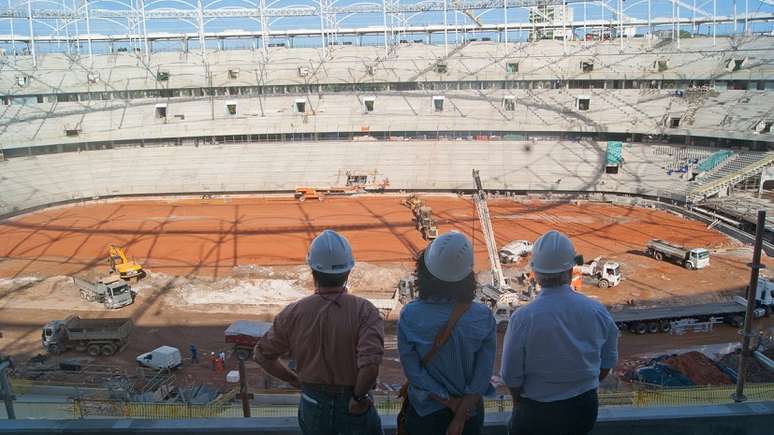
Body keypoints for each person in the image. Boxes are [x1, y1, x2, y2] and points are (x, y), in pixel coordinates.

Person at [254, 229, 385, 435]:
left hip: (312, 402)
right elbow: (370, 367)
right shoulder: (365, 311)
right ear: (348, 271)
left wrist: (295, 380)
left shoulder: (293, 313)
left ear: (312, 270)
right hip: (354, 405)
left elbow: (262, 355)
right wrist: (358, 397)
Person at [500, 230, 619, 435]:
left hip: (537, 413)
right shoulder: (596, 311)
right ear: (572, 270)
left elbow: (511, 375)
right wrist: (584, 388)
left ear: (535, 274)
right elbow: (607, 361)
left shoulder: (523, 318)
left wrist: (520, 403)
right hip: (583, 409)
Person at [398, 231, 496, 435]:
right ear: (468, 276)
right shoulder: (483, 317)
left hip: (426, 414)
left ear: (424, 271)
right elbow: (482, 374)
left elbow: (414, 372)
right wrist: (460, 416)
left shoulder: (410, 315)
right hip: (470, 414)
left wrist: (449, 402)